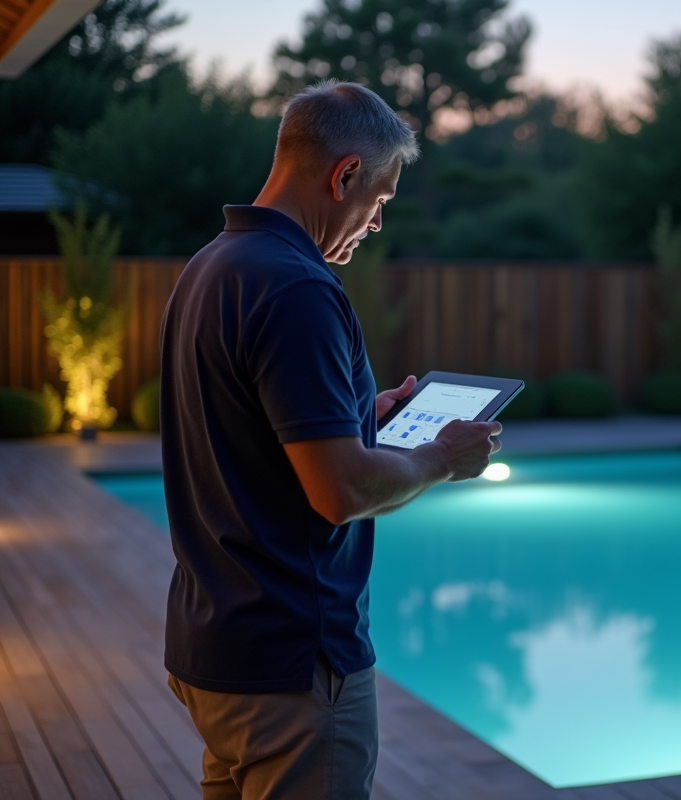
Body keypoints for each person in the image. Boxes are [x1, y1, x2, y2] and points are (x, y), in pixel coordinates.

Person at [158, 80, 501, 800]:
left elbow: (247, 425)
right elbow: (338, 492)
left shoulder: (211, 267)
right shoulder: (298, 287)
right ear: (344, 175)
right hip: (294, 665)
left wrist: (360, 412)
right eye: (376, 206)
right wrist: (442, 457)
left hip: (215, 651)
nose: (372, 225)